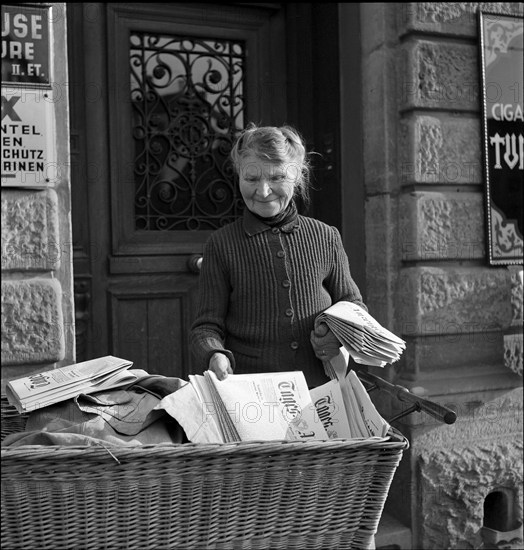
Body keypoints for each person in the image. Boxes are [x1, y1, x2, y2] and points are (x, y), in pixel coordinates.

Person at [190, 123, 367, 388]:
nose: (262, 191)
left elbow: (354, 305)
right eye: (251, 179)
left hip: (320, 390)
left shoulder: (326, 237)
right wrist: (214, 354)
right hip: (253, 393)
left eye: (276, 178)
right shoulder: (221, 244)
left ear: (297, 177)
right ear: (238, 176)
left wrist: (337, 334)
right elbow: (205, 328)